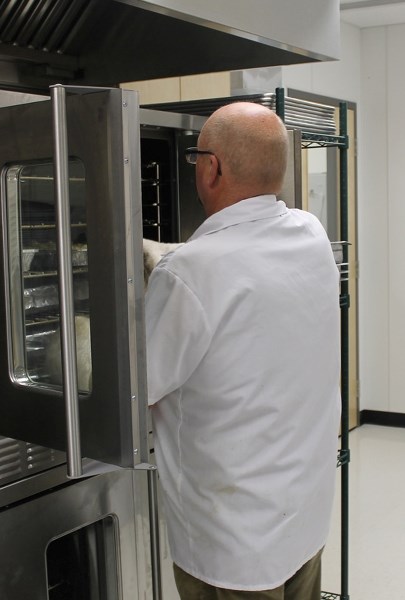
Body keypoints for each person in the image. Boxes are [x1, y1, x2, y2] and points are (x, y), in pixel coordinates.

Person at [144, 101, 341, 600]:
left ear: (212, 167)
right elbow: (245, 278)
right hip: (303, 516)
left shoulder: (188, 275)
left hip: (232, 548)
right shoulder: (312, 236)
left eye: (195, 159)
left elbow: (136, 387)